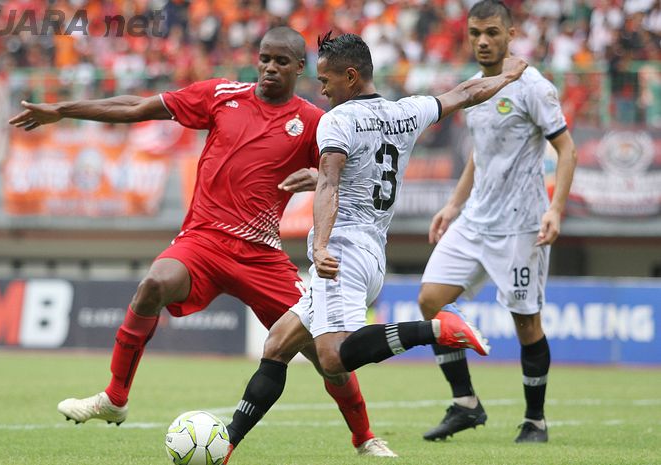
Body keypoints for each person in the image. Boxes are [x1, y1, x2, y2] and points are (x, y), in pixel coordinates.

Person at [8, 26, 397, 458]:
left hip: (263, 255)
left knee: (322, 351)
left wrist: (317, 178)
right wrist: (62, 109)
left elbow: (343, 173)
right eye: (264, 58)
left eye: (281, 61)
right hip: (204, 241)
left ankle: (364, 437)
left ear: (299, 68)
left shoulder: (312, 123)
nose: (270, 67)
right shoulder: (220, 95)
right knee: (154, 283)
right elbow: (136, 106)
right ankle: (114, 399)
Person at [222, 32, 528, 462]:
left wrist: (321, 247)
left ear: (350, 76)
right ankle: (225, 444)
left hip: (341, 252)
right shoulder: (407, 110)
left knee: (333, 358)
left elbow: (329, 182)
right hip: (371, 251)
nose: (321, 89)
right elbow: (467, 92)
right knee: (278, 345)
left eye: (326, 80)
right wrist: (510, 74)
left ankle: (436, 330)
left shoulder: (338, 120)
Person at [418, 0, 577, 444]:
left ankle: (535, 421)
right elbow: (479, 154)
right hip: (473, 221)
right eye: (475, 33)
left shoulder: (533, 87)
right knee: (430, 301)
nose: (483, 41)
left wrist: (555, 208)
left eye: (491, 32)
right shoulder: (472, 88)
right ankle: (466, 404)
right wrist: (453, 205)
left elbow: (568, 150)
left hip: (521, 226)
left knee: (526, 323)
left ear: (510, 35)